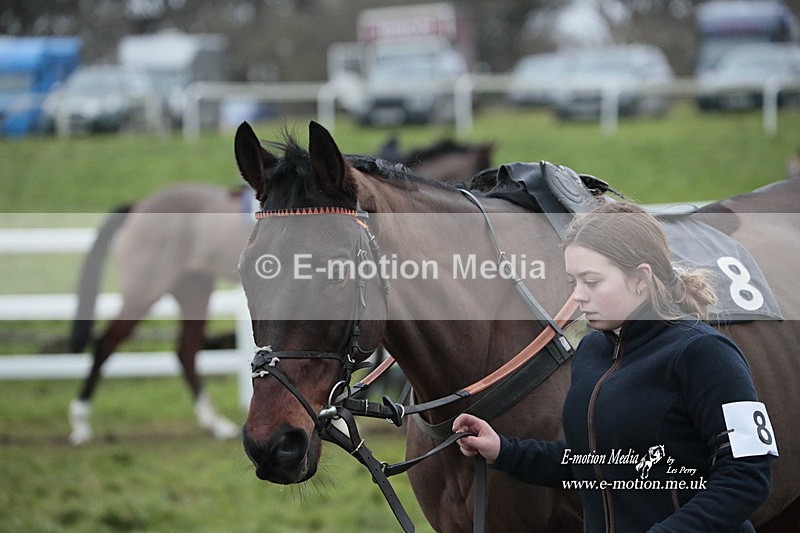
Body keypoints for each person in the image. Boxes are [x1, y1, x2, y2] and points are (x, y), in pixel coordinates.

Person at [453, 201, 777, 532]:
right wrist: (504, 451)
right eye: (573, 281)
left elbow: (748, 475)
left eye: (591, 282)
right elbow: (597, 460)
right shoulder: (592, 351)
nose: (578, 296)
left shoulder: (706, 353)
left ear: (640, 278)